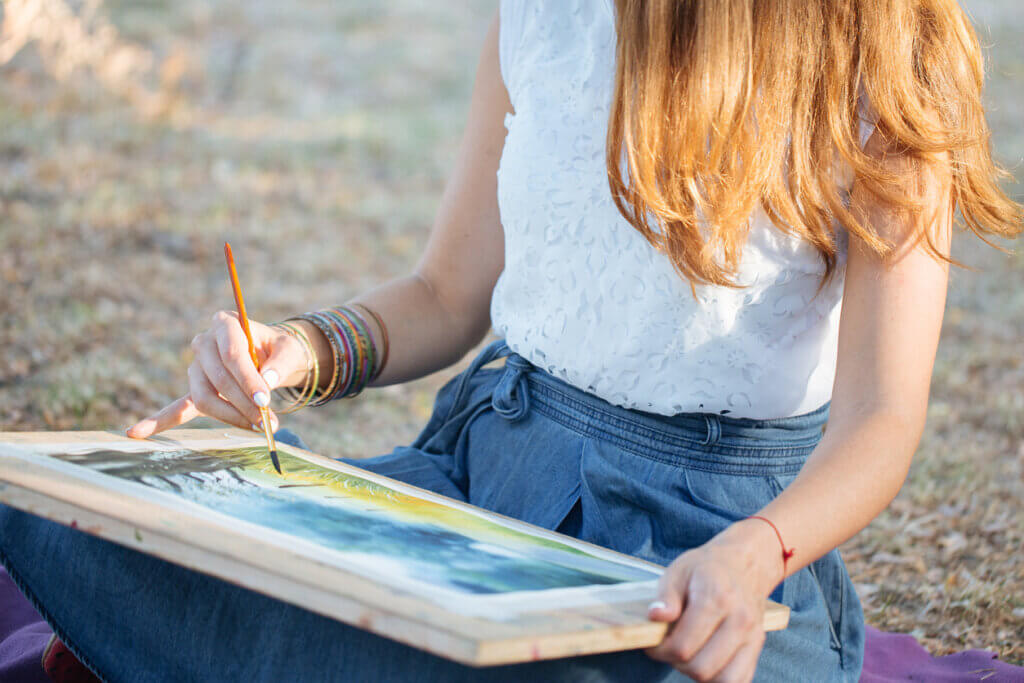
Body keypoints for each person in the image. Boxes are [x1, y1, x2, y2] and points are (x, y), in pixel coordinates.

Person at [2, 1, 1021, 681]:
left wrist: (753, 555)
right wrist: (299, 350)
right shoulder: (543, 14)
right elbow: (447, 291)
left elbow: (883, 420)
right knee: (121, 534)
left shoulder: (888, 50)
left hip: (705, 538)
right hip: (484, 472)